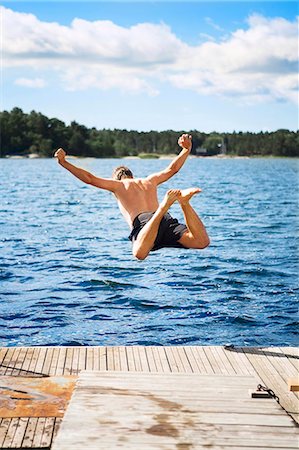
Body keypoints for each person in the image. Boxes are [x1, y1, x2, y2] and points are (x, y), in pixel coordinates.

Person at [54, 134, 210, 260]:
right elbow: (172, 169)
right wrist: (186, 150)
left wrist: (64, 162)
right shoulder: (150, 180)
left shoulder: (118, 185)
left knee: (139, 254)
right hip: (166, 222)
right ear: (131, 175)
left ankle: (163, 207)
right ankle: (184, 204)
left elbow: (89, 178)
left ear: (116, 177)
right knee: (201, 242)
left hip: (146, 222)